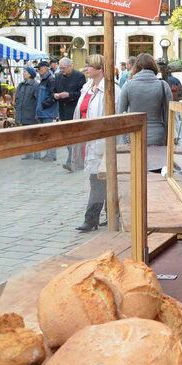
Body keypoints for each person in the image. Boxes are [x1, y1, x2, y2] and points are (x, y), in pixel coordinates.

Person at [74, 55, 107, 232]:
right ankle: (110, 214)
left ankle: (91, 218)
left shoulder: (109, 89)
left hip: (101, 142)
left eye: (89, 66)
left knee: (97, 180)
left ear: (100, 68)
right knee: (101, 181)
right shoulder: (87, 87)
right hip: (88, 140)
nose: (85, 68)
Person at [116, 54, 171, 146]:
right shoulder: (163, 85)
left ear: (136, 67)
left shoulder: (128, 85)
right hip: (158, 136)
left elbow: (121, 114)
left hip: (135, 135)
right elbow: (169, 115)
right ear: (154, 66)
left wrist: (125, 137)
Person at [51, 58, 86, 170]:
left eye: (63, 68)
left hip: (74, 110)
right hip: (63, 111)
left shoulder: (79, 76)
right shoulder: (58, 77)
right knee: (67, 137)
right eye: (60, 68)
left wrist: (69, 94)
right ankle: (72, 160)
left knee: (74, 136)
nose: (61, 70)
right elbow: (53, 90)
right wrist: (55, 95)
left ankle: (72, 161)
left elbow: (82, 93)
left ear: (70, 66)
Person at [14, 66, 40, 159]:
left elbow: (38, 100)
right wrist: (16, 107)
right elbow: (17, 98)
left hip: (32, 114)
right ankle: (28, 154)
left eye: (25, 72)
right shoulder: (21, 85)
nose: (23, 73)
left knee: (34, 134)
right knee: (25, 134)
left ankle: (37, 154)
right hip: (23, 114)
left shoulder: (35, 85)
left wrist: (37, 113)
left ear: (30, 74)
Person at [35, 61, 59, 161]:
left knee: (49, 134)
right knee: (46, 135)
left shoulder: (51, 80)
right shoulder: (43, 80)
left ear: (46, 68)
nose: (38, 70)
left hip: (47, 112)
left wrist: (44, 105)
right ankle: (48, 154)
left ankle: (51, 155)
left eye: (40, 68)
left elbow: (53, 96)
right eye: (38, 68)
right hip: (43, 112)